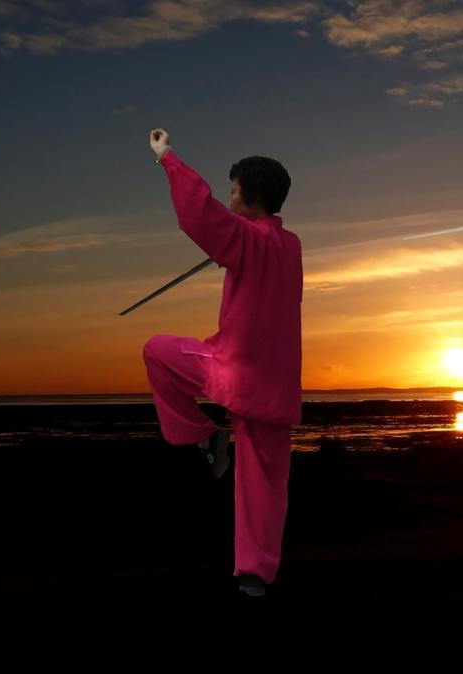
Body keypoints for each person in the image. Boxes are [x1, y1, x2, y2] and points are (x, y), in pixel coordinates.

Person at [141, 128, 302, 596]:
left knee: (156, 351)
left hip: (230, 369)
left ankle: (205, 435)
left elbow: (198, 212)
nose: (229, 199)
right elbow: (248, 242)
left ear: (251, 197)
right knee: (265, 482)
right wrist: (231, 250)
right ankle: (255, 575)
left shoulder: (245, 238)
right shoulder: (290, 244)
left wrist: (166, 157)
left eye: (233, 192)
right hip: (273, 386)